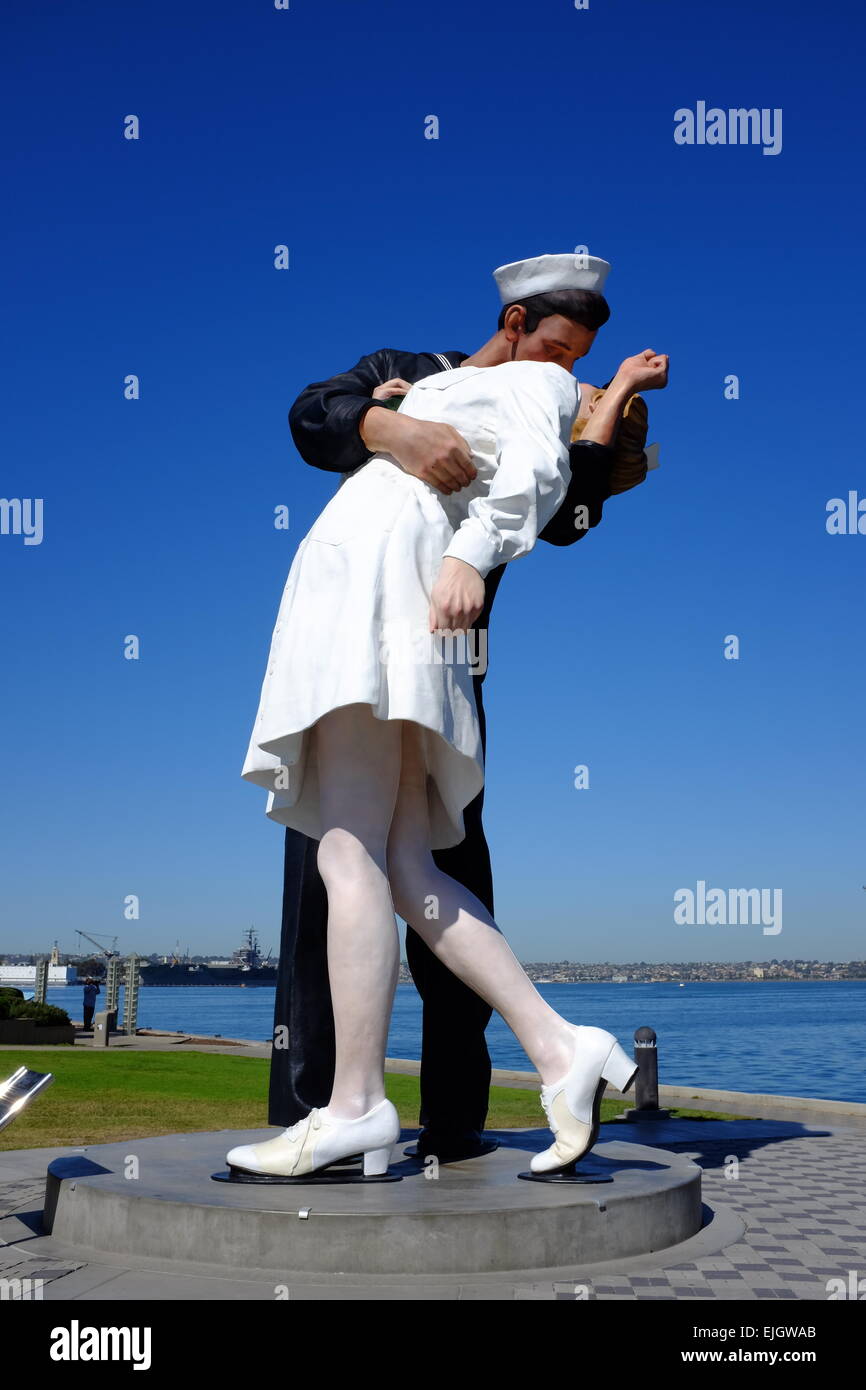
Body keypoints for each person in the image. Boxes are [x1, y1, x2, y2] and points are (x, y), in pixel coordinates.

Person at [230, 252, 669, 1179]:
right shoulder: (433, 374)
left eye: (583, 360)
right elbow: (317, 415)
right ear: (513, 325)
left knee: (353, 852)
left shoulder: (535, 388)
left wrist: (474, 546)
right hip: (397, 616)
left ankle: (366, 1108)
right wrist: (393, 419)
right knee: (392, 861)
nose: (567, 369)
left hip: (395, 616)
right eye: (557, 347)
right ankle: (554, 1051)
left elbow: (553, 485)